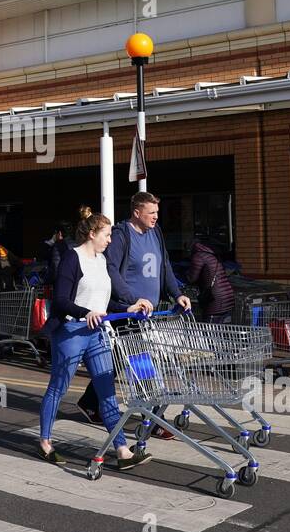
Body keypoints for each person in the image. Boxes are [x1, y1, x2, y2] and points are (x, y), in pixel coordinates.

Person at [36, 211, 153, 469]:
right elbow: (62, 300)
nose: (110, 240)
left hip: (97, 331)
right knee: (58, 388)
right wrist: (84, 313)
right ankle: (45, 442)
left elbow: (103, 301)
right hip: (72, 332)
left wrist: (129, 306)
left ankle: (122, 450)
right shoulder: (72, 258)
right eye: (106, 235)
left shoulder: (101, 261)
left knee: (107, 391)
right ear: (92, 234)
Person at [76, 191, 191, 433]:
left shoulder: (156, 233)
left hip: (148, 313)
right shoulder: (121, 235)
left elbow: (165, 267)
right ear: (137, 212)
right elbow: (111, 270)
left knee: (117, 361)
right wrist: (131, 300)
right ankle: (155, 418)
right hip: (127, 312)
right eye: (151, 213)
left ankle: (88, 402)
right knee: (142, 362)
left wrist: (177, 293)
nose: (156, 217)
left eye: (157, 212)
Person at [187, 236, 234, 323]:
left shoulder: (198, 256)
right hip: (227, 296)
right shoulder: (213, 254)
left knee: (210, 331)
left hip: (215, 298)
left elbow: (191, 278)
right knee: (225, 329)